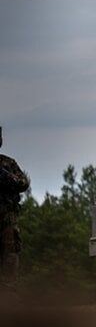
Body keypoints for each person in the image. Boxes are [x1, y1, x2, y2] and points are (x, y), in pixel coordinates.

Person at [0, 125, 29, 292]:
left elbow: (23, 183)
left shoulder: (8, 163)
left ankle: (8, 295)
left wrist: (6, 177)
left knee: (10, 254)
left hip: (6, 219)